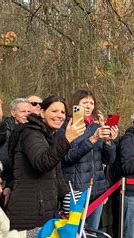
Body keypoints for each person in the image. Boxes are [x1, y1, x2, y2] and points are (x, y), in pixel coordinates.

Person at [6, 96, 85, 230]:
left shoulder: (50, 137)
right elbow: (42, 163)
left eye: (62, 112)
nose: (59, 116)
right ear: (42, 112)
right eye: (54, 111)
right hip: (27, 213)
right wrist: (67, 139)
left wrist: (68, 204)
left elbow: (57, 177)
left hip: (46, 212)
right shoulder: (31, 133)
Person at [62, 89, 118, 230]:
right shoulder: (68, 126)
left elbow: (109, 160)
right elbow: (68, 157)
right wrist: (93, 139)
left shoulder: (96, 126)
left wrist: (108, 143)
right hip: (76, 189)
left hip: (97, 189)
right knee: (76, 234)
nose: (88, 106)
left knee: (92, 232)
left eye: (91, 103)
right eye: (84, 102)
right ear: (75, 104)